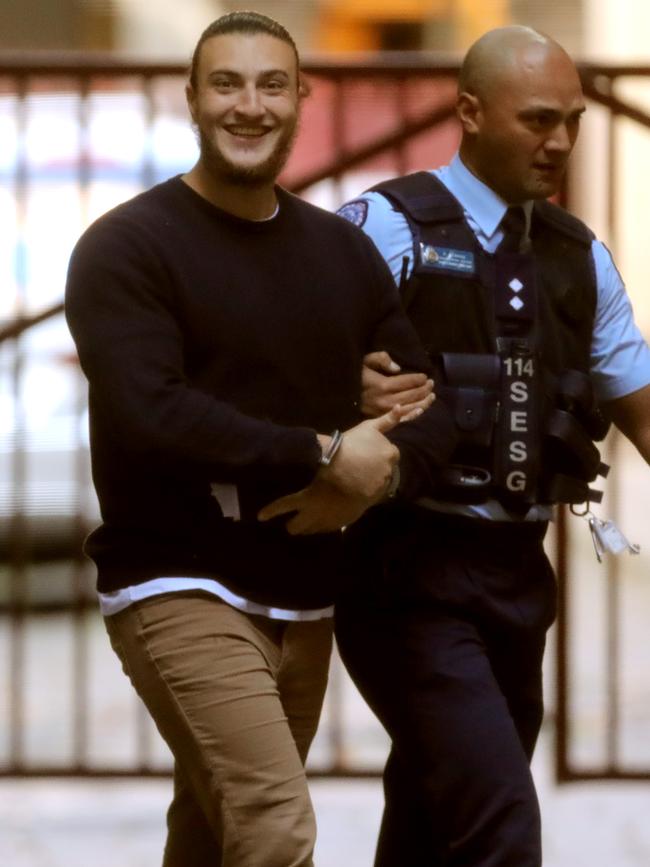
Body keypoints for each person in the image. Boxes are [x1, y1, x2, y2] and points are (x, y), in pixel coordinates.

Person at [64, 11, 455, 867]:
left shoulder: (340, 253)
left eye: (272, 84)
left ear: (301, 99)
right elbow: (150, 411)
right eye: (228, 84)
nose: (251, 105)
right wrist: (323, 446)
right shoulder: (127, 247)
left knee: (214, 833)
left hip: (305, 595)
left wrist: (368, 477)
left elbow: (428, 409)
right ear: (194, 101)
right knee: (274, 829)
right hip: (177, 582)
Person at [330, 25, 650, 867]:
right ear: (469, 112)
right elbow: (282, 356)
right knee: (501, 825)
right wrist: (343, 394)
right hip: (406, 574)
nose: (562, 143)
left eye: (574, 121)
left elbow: (642, 411)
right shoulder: (387, 225)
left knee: (435, 821)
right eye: (540, 120)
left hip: (516, 572)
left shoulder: (581, 257)